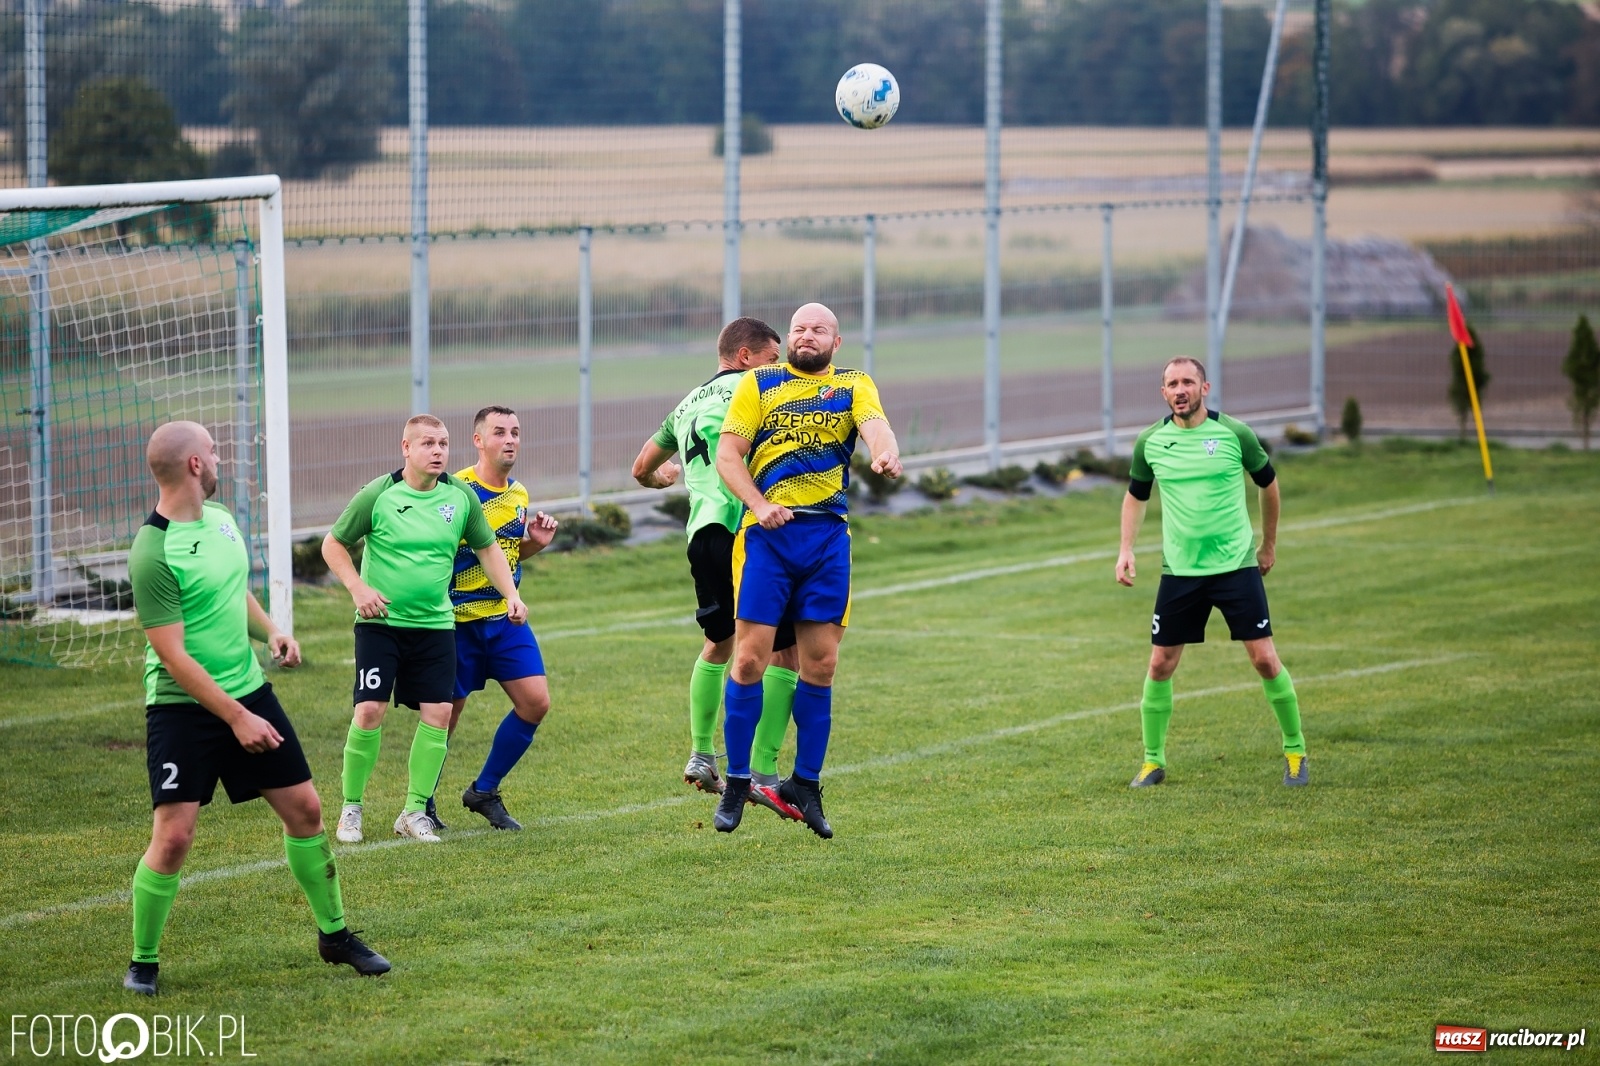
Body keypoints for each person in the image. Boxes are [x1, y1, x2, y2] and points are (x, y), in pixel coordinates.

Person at [124, 421, 389, 996]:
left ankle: (335, 935)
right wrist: (235, 718)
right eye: (213, 451)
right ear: (195, 465)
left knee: (307, 811)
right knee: (174, 837)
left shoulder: (221, 521)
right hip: (182, 709)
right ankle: (143, 962)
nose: (220, 458)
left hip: (249, 692)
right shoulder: (151, 552)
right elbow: (172, 656)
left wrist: (271, 630)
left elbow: (231, 589)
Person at [712, 302, 902, 838]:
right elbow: (728, 456)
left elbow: (877, 427)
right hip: (767, 538)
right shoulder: (760, 383)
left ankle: (807, 784)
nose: (806, 336)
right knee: (749, 659)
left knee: (821, 664)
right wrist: (758, 504)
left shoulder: (853, 383)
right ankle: (737, 780)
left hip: (826, 539)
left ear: (835, 343)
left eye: (819, 330)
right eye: (799, 328)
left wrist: (886, 454)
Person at [323, 414, 527, 844]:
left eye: (443, 444)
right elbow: (334, 543)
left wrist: (510, 593)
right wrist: (357, 588)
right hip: (381, 625)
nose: (438, 452)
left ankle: (414, 812)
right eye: (428, 443)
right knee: (369, 711)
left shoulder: (460, 497)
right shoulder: (378, 493)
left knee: (439, 714)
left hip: (436, 626)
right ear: (407, 448)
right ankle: (351, 809)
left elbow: (488, 548)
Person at [632, 317, 804, 822]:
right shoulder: (756, 389)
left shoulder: (686, 403)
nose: (777, 367)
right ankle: (765, 772)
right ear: (746, 357)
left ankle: (702, 753)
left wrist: (665, 477)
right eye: (772, 358)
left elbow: (641, 468)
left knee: (720, 642)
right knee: (786, 650)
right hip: (745, 530)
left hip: (702, 534)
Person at [1115, 356, 1308, 788]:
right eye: (1172, 384)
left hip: (1235, 567)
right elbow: (1136, 495)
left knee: (1264, 659)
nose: (1180, 390)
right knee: (1160, 663)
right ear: (1163, 393)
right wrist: (1126, 549)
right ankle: (1152, 762)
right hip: (1180, 572)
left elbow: (1268, 484)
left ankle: (1295, 753)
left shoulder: (1235, 434)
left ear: (1205, 388)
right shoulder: (1150, 442)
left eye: (1188, 382)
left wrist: (1268, 544)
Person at [434, 405, 559, 832]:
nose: (510, 440)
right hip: (457, 623)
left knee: (535, 702)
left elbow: (503, 555)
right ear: (478, 440)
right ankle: (421, 803)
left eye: (515, 432)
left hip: (506, 621)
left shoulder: (519, 494)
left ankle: (483, 791)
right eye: (500, 432)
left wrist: (534, 544)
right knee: (444, 719)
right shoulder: (454, 490)